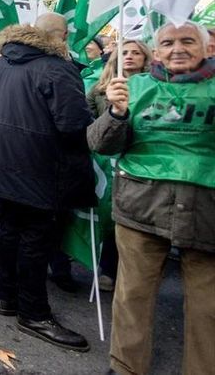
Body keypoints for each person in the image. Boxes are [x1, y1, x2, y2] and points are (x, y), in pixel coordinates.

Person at [88, 22, 214, 375]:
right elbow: (100, 143)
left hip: (206, 212)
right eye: (168, 42)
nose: (178, 49)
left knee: (208, 306)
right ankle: (126, 367)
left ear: (207, 49)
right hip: (141, 207)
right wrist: (115, 114)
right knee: (133, 297)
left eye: (188, 41)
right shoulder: (131, 88)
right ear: (156, 53)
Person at [0, 13, 94, 352]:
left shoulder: (0, 65)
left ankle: (7, 296)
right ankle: (34, 312)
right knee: (34, 242)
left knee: (10, 234)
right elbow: (75, 126)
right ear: (59, 36)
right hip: (39, 172)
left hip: (1, 167)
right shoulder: (58, 69)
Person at [84, 39, 151, 292]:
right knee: (109, 214)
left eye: (136, 52)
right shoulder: (99, 90)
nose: (131, 56)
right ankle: (107, 269)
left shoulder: (157, 89)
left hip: (142, 160)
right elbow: (89, 124)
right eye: (125, 53)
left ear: (146, 58)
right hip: (107, 161)